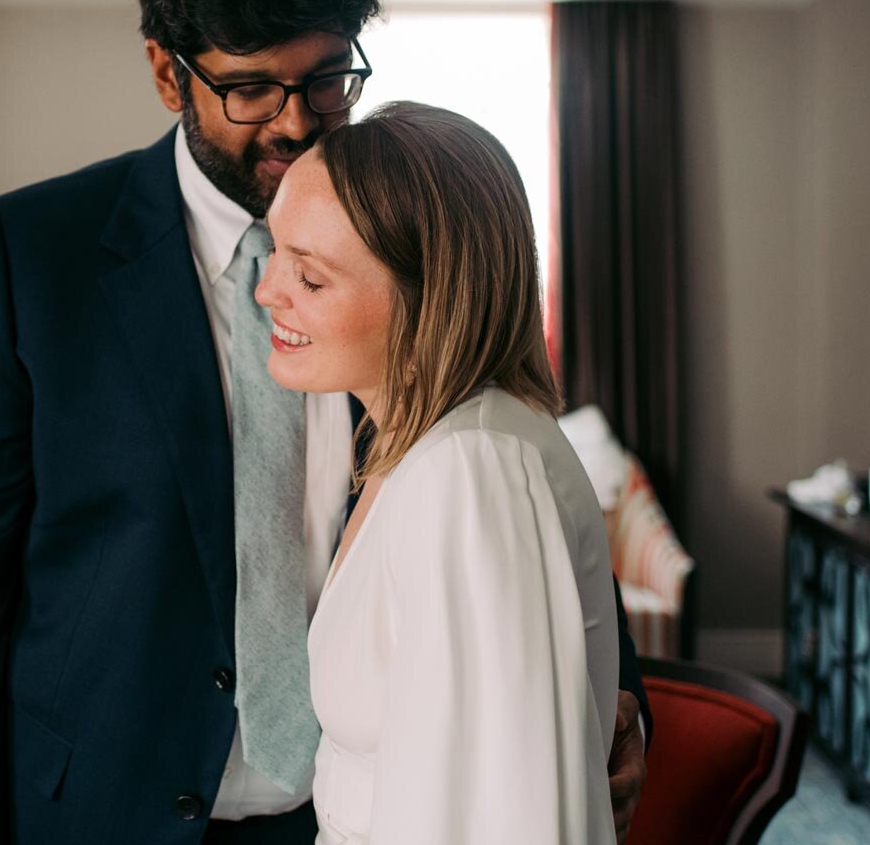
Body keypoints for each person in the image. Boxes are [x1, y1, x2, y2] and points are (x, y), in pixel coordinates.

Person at [0, 0, 648, 845]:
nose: (295, 120)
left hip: (358, 805)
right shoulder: (30, 257)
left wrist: (616, 690)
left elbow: (508, 504)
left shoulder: (411, 243)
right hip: (100, 813)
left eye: (326, 77)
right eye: (248, 88)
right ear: (168, 72)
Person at [258, 102, 618, 843]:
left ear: (430, 300)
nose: (267, 291)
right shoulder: (412, 451)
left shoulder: (472, 472)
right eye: (275, 252)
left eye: (311, 278)